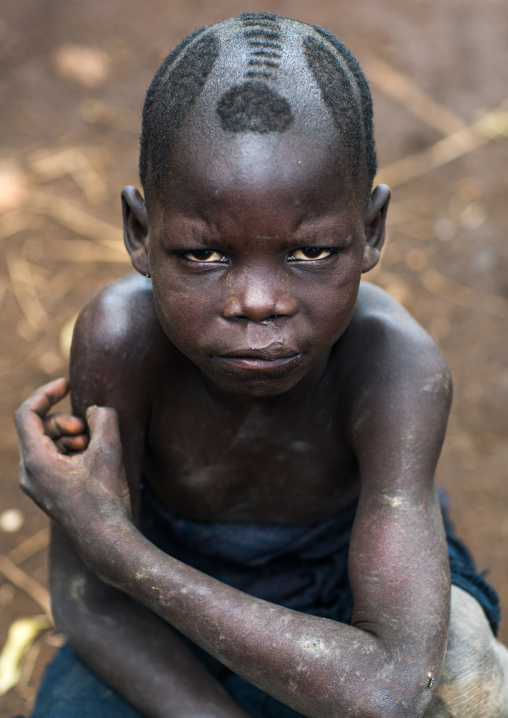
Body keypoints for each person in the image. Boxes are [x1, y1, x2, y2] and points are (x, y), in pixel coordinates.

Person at [14, 12, 508, 718]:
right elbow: (91, 603)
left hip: (350, 596)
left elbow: (393, 687)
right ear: (139, 233)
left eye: (310, 254)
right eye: (201, 255)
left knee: (461, 677)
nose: (257, 303)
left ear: (370, 233)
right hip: (168, 615)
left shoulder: (395, 368)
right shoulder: (121, 342)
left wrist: (119, 550)